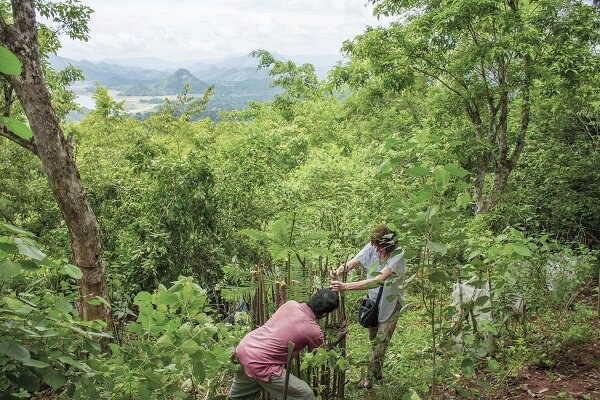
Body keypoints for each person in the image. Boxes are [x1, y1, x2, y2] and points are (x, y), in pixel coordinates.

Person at [228, 288, 342, 400]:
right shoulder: (314, 331)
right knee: (305, 395)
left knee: (238, 397)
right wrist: (337, 339)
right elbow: (319, 354)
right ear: (324, 314)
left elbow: (290, 325)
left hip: (245, 348)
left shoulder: (290, 304)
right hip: (262, 363)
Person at [330, 225, 405, 389]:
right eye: (375, 244)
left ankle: (368, 380)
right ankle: (377, 373)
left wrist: (345, 286)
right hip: (373, 302)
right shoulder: (372, 247)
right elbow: (353, 263)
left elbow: (378, 280)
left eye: (380, 245)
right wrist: (338, 271)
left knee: (380, 342)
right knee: (374, 340)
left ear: (389, 244)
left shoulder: (398, 253)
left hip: (391, 304)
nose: (376, 248)